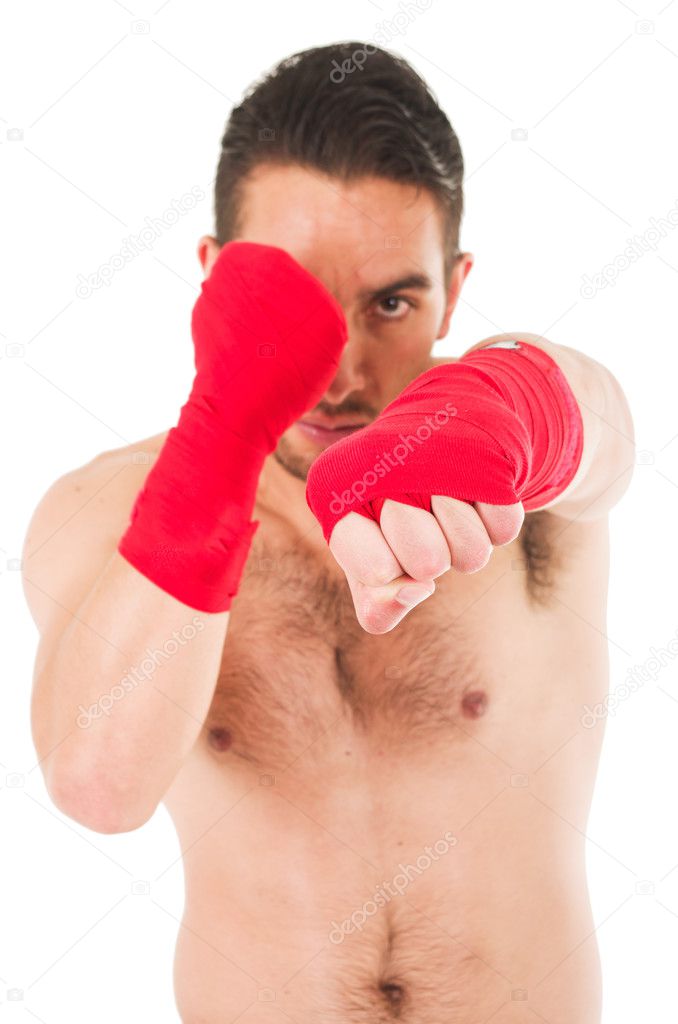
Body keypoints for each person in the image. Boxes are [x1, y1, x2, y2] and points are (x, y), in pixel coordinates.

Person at [22, 42, 635, 1023]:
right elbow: (98, 784)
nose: (342, 371)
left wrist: (514, 399)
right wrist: (223, 433)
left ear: (457, 287)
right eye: (293, 298)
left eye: (393, 301)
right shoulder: (104, 509)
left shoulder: (514, 482)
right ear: (213, 276)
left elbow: (612, 432)